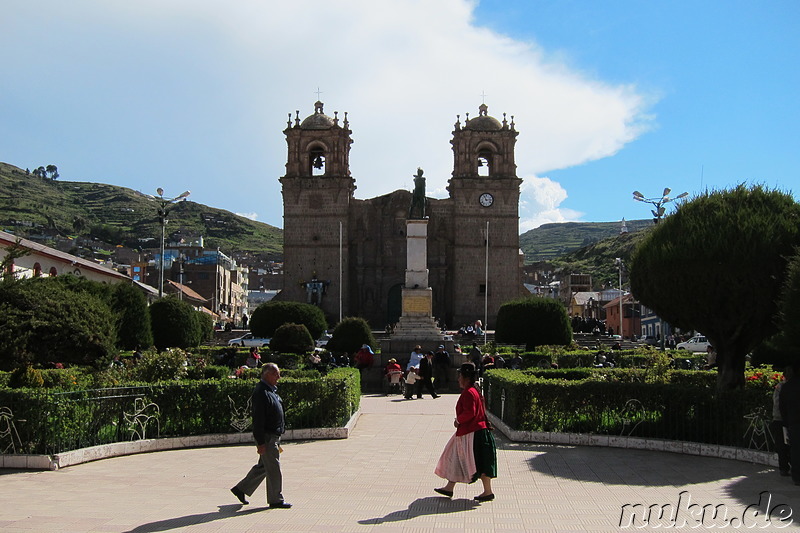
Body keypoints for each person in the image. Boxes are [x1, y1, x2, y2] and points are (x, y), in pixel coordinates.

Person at [231, 363, 292, 508]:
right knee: (273, 468)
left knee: (264, 466)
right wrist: (260, 442)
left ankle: (241, 489)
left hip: (273, 435)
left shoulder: (270, 390)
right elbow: (258, 419)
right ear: (266, 375)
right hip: (267, 436)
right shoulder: (261, 392)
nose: (279, 377)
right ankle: (276, 499)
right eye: (275, 374)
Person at [434, 363, 497, 501]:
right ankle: (450, 487)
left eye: (460, 376)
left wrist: (458, 421)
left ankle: (487, 491)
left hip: (471, 432)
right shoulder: (475, 390)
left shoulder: (469, 392)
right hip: (477, 430)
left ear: (466, 378)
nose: (458, 379)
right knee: (460, 457)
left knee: (468, 459)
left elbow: (470, 412)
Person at [779, 363, 800, 486]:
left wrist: (786, 422)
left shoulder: (787, 387)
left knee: (795, 449)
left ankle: (796, 475)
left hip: (793, 422)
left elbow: (782, 407)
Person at [771, 367, 791, 477]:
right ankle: (784, 467)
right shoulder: (781, 387)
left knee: (784, 445)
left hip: (781, 419)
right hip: (781, 420)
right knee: (783, 445)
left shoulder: (782, 387)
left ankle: (785, 467)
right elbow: (778, 404)